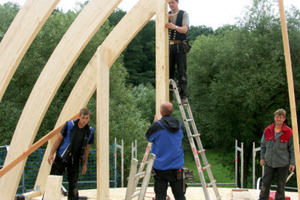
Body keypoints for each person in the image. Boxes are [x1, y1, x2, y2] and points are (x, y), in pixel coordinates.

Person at [48, 108, 94, 200]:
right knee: (53, 181)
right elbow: (59, 139)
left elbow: (87, 149)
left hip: (75, 160)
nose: (85, 120)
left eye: (87, 118)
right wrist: (51, 153)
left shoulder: (90, 131)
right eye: (83, 117)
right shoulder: (69, 125)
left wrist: (84, 164)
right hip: (61, 157)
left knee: (73, 185)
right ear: (79, 117)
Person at [145, 102, 186, 200]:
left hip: (160, 168)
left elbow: (148, 137)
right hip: (176, 166)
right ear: (172, 111)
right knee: (180, 196)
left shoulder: (157, 126)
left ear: (161, 112)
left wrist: (154, 123)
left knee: (160, 196)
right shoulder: (179, 125)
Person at [259, 109, 295, 200]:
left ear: (284, 119)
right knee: (265, 183)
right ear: (274, 118)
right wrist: (262, 158)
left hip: (283, 163)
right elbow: (263, 145)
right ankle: (263, 198)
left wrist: (292, 163)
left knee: (281, 185)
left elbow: (292, 149)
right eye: (277, 117)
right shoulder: (268, 130)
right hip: (270, 162)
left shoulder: (288, 132)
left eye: (281, 117)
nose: (278, 119)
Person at [165, 0, 190, 103]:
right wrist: (165, 18)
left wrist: (174, 27)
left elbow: (184, 29)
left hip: (180, 45)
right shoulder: (166, 15)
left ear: (177, 2)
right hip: (169, 46)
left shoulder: (184, 14)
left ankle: (183, 95)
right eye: (169, 3)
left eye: (172, 2)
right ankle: (169, 95)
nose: (171, 5)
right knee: (168, 72)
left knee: (182, 72)